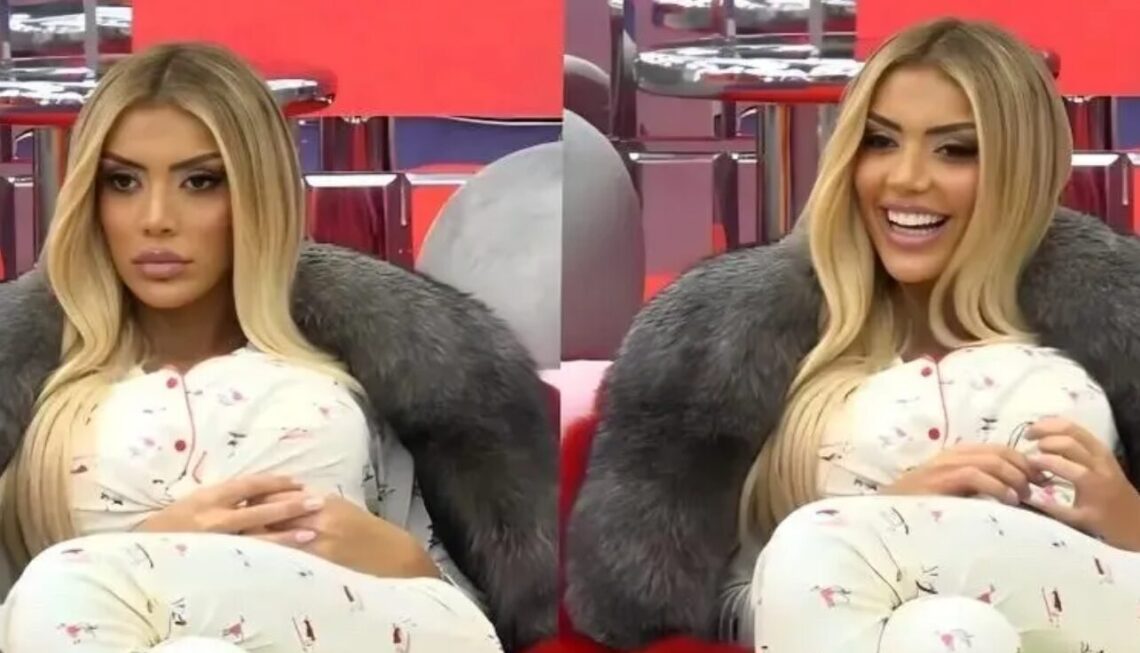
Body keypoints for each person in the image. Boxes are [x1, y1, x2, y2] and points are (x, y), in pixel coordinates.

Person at [565, 18, 1140, 653]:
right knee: (942, 633)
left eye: (955, 150)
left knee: (830, 550)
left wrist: (1128, 519)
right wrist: (891, 522)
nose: (906, 178)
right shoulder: (760, 351)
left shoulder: (1108, 333)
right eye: (880, 141)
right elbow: (729, 609)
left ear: (1023, 168)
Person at [0, 43, 556, 652]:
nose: (156, 218)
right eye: (123, 181)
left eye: (200, 181)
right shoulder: (41, 404)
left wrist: (400, 558)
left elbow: (467, 626)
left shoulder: (349, 377)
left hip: (386, 623)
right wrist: (154, 548)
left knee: (67, 586)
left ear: (256, 191)